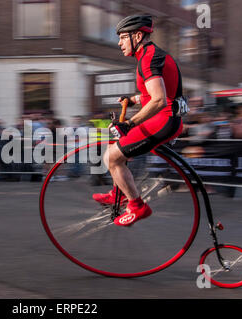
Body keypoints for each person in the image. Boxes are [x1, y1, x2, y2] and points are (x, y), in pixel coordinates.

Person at [93, 15, 184, 227]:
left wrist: (130, 123)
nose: (119, 43)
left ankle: (136, 205)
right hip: (165, 117)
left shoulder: (149, 59)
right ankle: (120, 192)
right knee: (115, 145)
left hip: (164, 119)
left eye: (123, 37)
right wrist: (132, 100)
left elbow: (160, 100)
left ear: (138, 35)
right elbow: (155, 92)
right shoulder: (149, 55)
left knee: (113, 157)